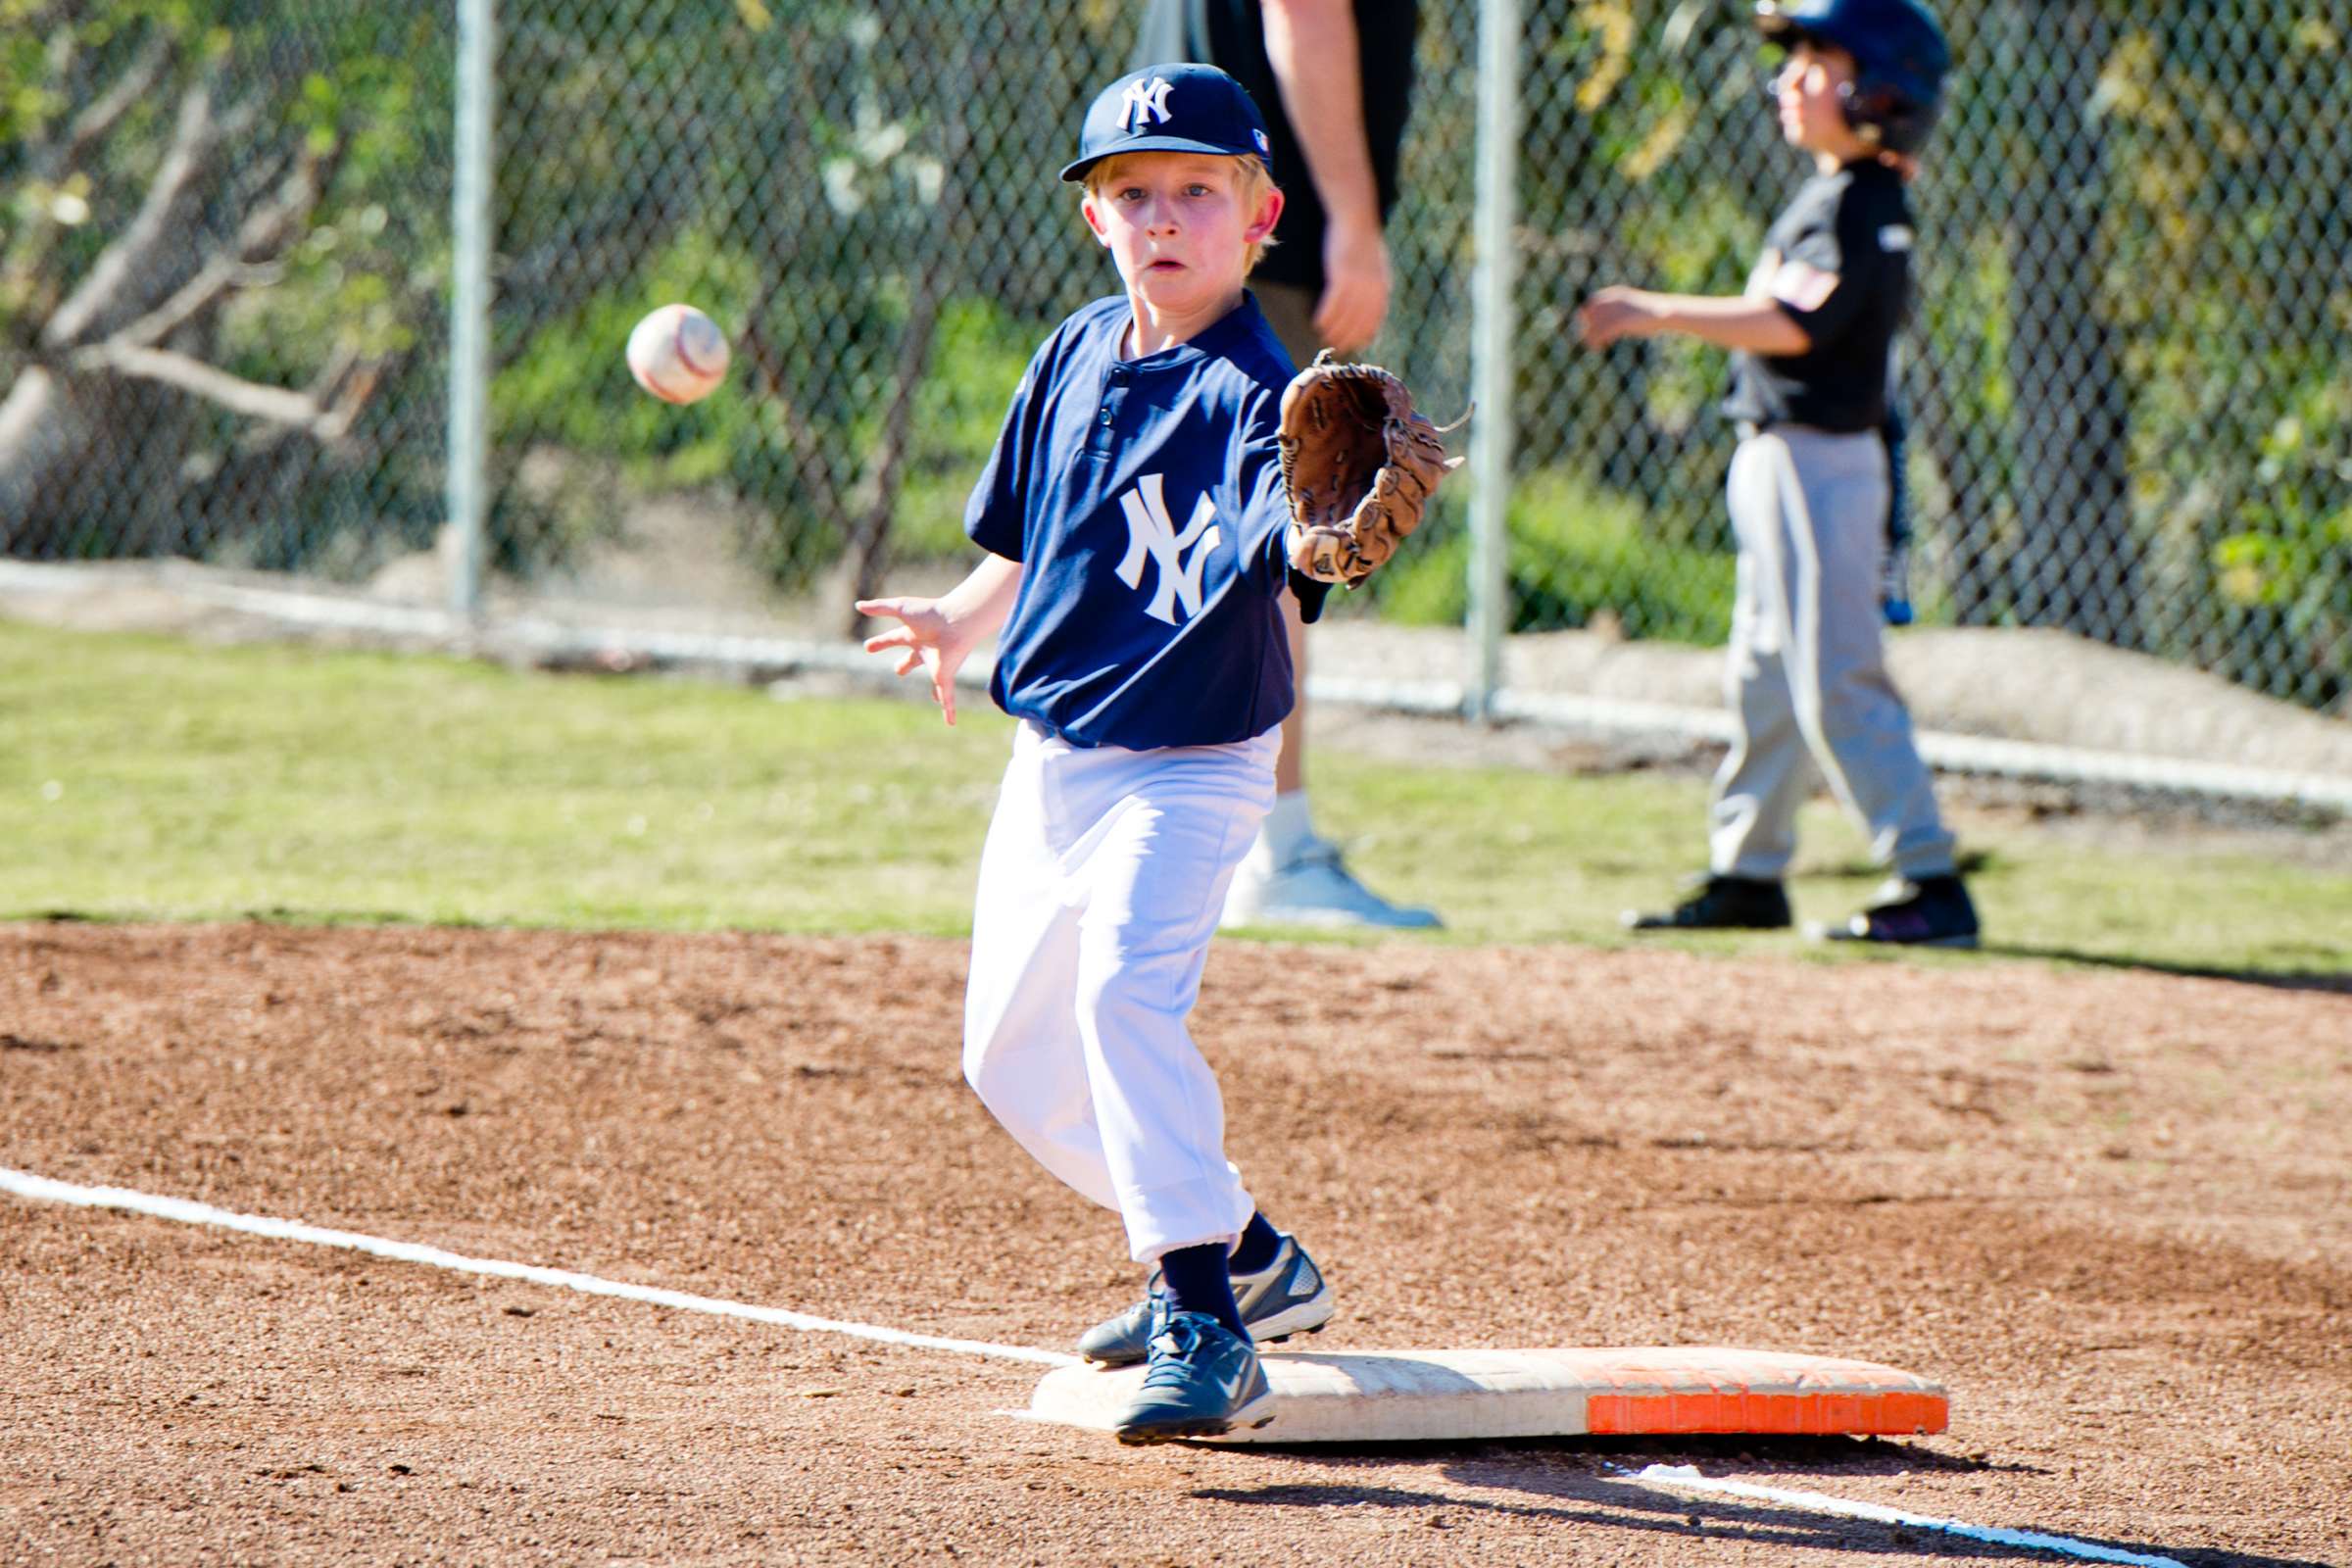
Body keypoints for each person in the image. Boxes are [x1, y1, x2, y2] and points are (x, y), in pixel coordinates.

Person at [856, 64, 1339, 1444]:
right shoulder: (1072, 352)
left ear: (1260, 218)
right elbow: (1028, 530)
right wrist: (956, 618)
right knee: (1011, 1064)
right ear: (1095, 222)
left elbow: (1288, 538)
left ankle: (1202, 1309)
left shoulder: (1264, 394)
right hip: (1054, 751)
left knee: (1125, 996)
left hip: (1193, 758)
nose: (1165, 215)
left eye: (1200, 189)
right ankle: (1248, 1251)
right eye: (1134, 193)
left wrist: (1308, 535)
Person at [1577, 0, 1980, 948]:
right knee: (1763, 675)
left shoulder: (1863, 202)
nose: (1788, 83)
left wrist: (1654, 310)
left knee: (1836, 676)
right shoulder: (1835, 194)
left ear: (1877, 92)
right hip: (1783, 456)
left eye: (1816, 65)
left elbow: (1794, 326)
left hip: (1819, 466)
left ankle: (1929, 876)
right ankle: (1748, 871)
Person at [1138, 0, 1439, 931]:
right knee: (1274, 538)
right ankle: (1273, 842)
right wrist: (1354, 220)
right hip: (1258, 236)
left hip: (1174, 215)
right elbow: (1303, 14)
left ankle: (1179, 833)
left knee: (1185, 528)